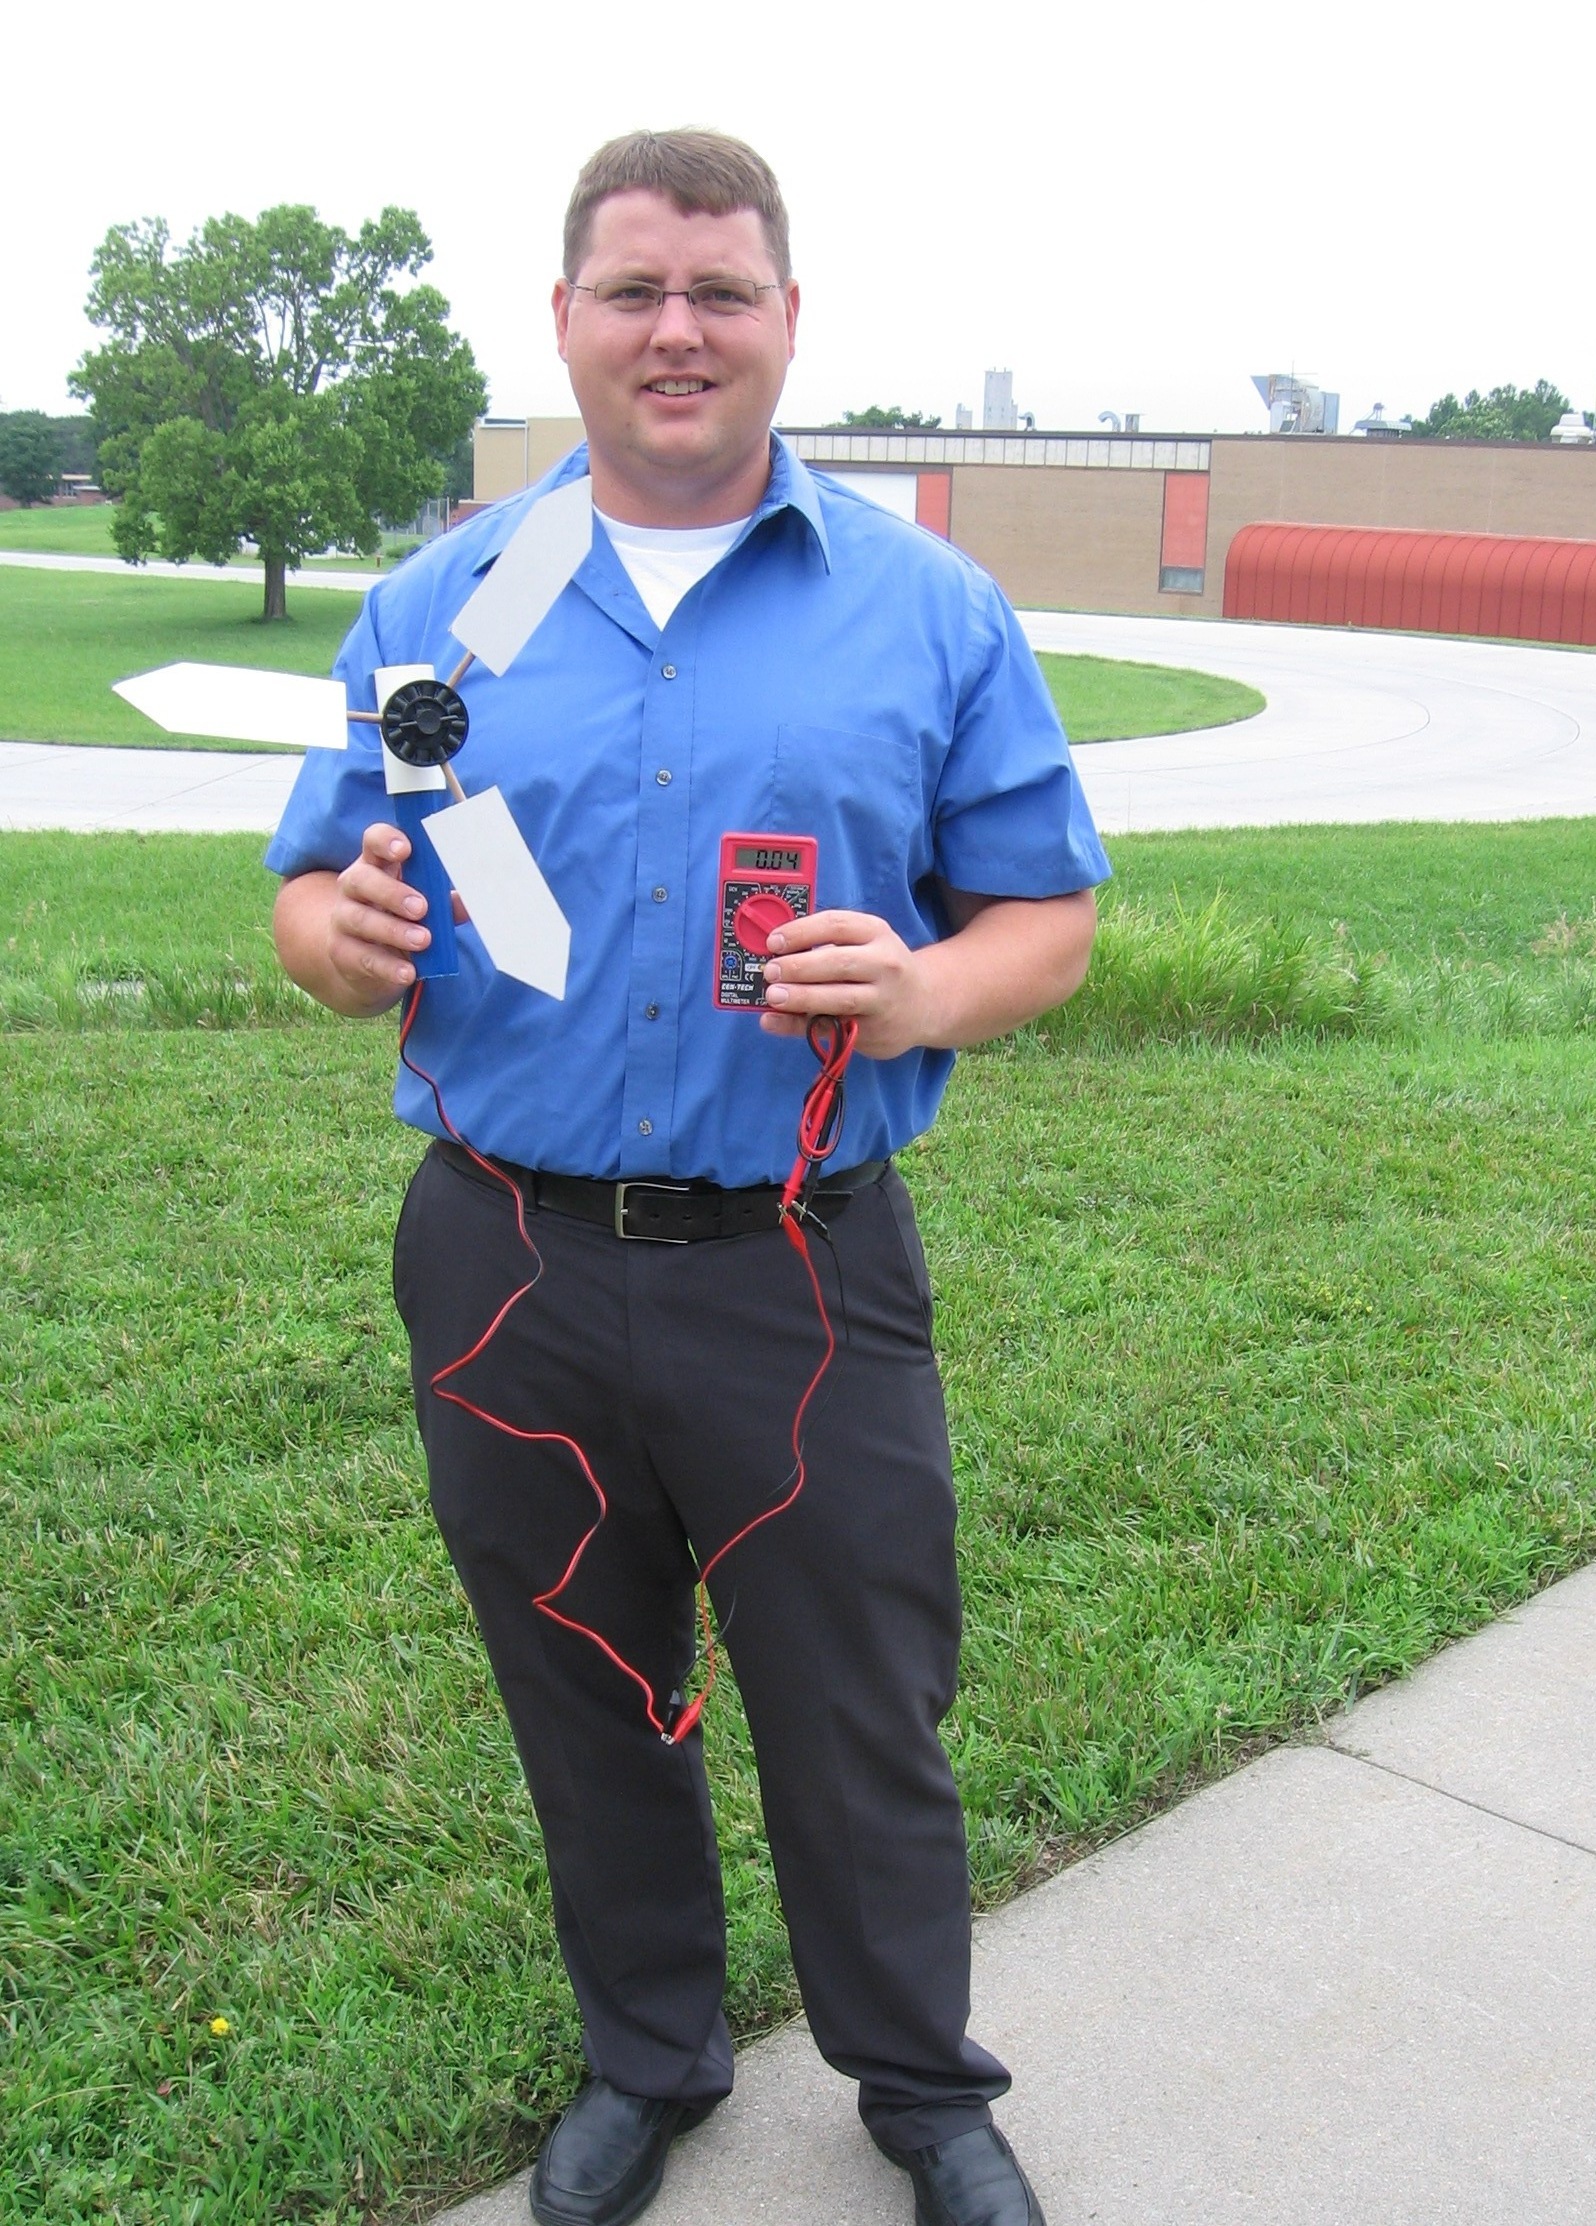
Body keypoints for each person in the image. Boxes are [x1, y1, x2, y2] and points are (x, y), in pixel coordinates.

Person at [269, 129, 1108, 2226]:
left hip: (796, 1272)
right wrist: (331, 937)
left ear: (786, 322)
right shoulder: (445, 602)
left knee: (860, 1701)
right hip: (503, 1258)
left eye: (718, 294)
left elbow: (1047, 916)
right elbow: (314, 876)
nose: (676, 332)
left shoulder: (924, 608)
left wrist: (920, 988)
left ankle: (920, 2088)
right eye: (634, 291)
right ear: (564, 320)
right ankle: (649, 2059)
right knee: (585, 1673)